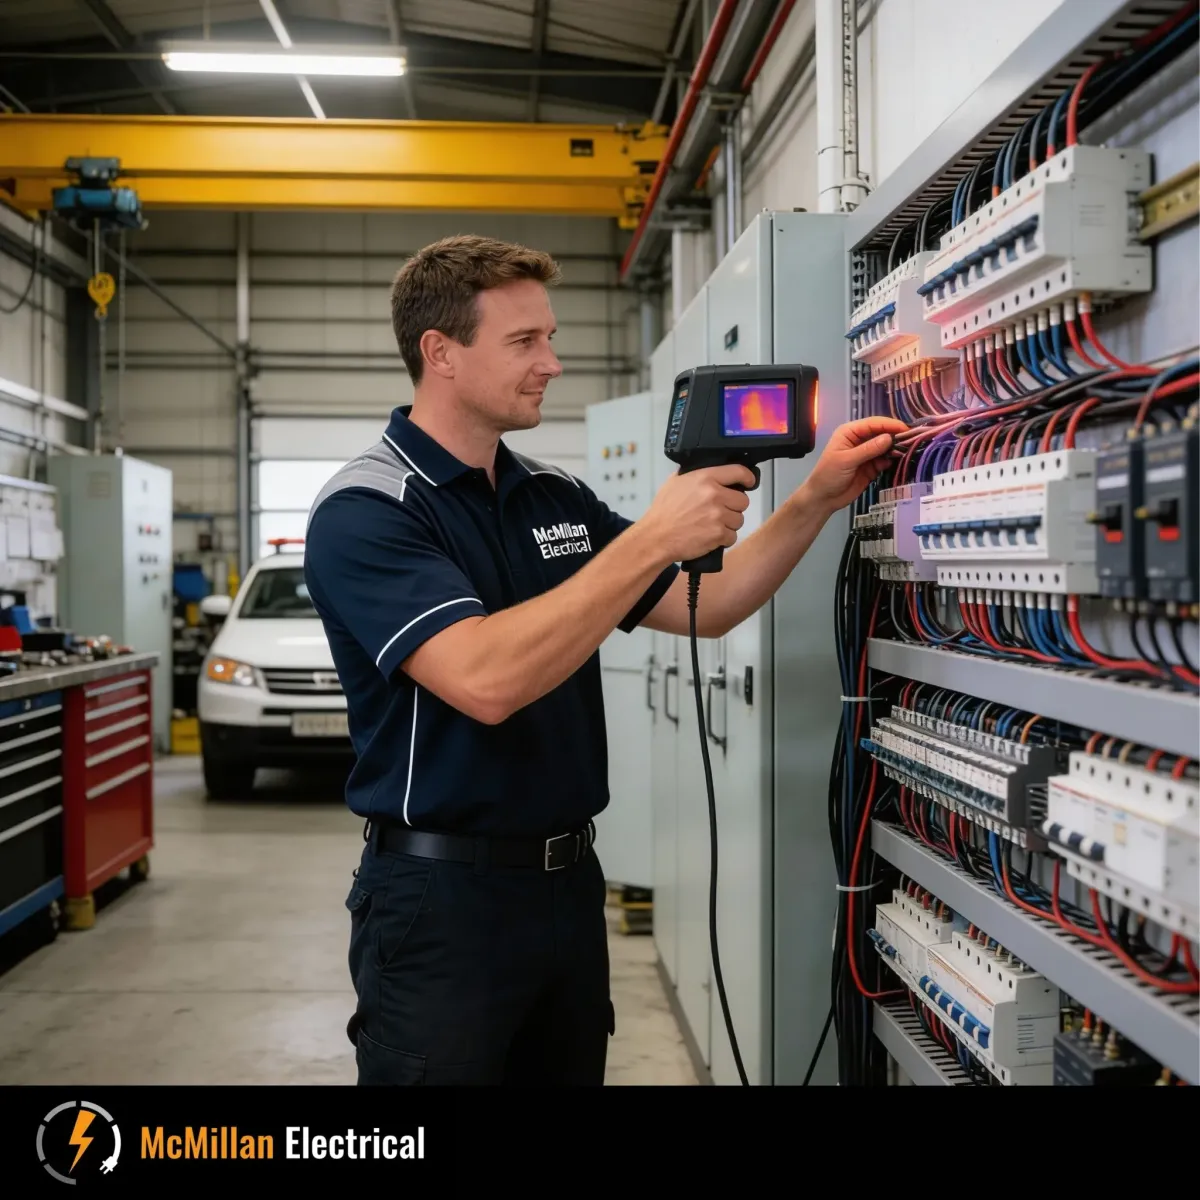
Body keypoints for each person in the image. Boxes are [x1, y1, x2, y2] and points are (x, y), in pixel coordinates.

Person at [303, 234, 905, 1086]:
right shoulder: (366, 509)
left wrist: (814, 499)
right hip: (440, 902)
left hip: (566, 887)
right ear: (439, 352)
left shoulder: (553, 496)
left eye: (550, 337)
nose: (552, 362)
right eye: (524, 341)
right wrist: (654, 534)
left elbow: (713, 601)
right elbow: (484, 681)